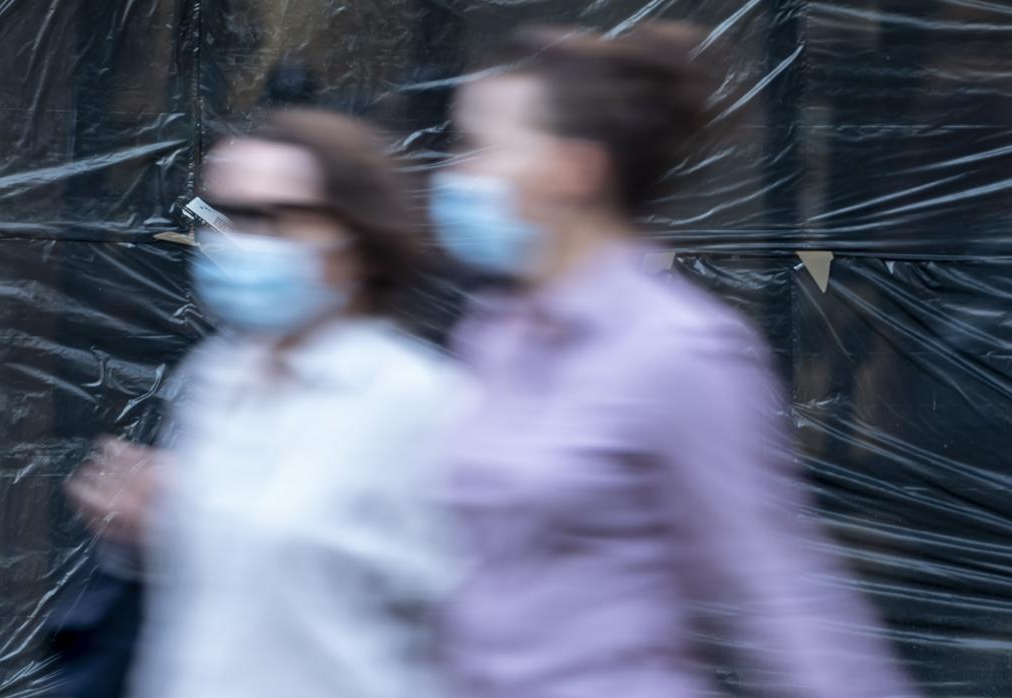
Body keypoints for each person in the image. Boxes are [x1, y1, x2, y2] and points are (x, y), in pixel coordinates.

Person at [428, 25, 917, 697]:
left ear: (576, 169)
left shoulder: (679, 352)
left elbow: (776, 589)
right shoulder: (494, 333)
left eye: (478, 148)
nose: (456, 175)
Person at [67, 109, 467, 698]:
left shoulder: (420, 403)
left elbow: (476, 622)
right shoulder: (217, 378)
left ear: (357, 237)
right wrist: (148, 536)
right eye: (228, 216)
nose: (243, 241)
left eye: (276, 219)